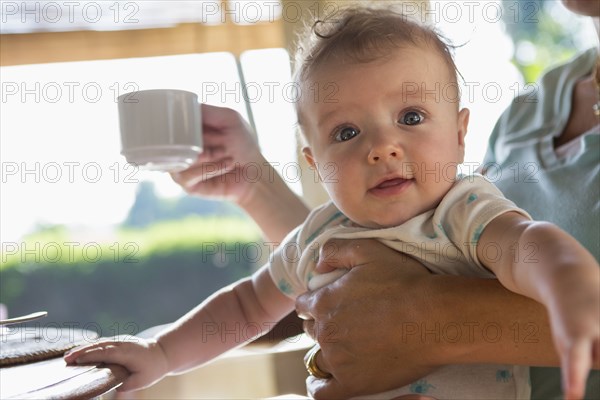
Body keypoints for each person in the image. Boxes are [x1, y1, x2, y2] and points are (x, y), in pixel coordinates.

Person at [64, 5, 600, 399]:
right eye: (346, 132)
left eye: (411, 118)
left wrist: (572, 287)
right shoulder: (319, 235)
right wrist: (160, 354)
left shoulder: (463, 211)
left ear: (462, 135)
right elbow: (248, 305)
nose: (381, 147)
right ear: (315, 160)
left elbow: (526, 245)